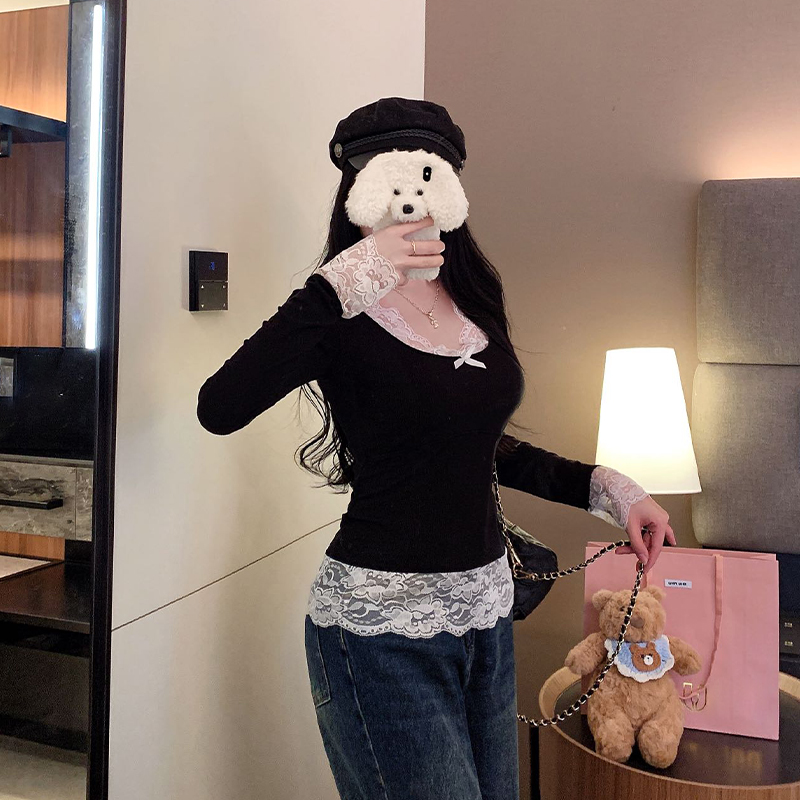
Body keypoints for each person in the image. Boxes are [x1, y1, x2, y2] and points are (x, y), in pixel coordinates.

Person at [196, 97, 675, 800]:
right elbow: (219, 406)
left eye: (426, 177)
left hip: (486, 616)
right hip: (378, 628)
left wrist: (614, 492)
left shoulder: (473, 297)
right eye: (386, 179)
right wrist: (347, 279)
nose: (409, 200)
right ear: (357, 191)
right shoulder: (336, 309)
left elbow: (479, 446)